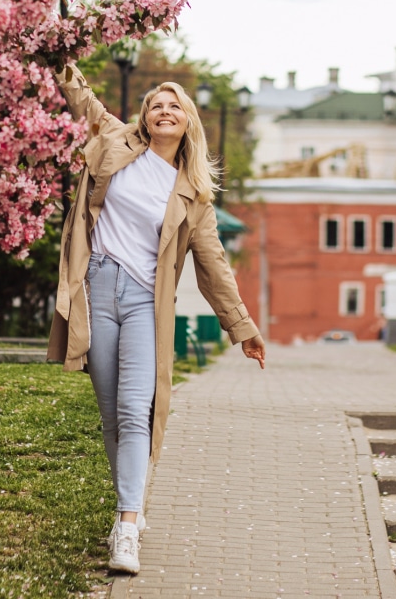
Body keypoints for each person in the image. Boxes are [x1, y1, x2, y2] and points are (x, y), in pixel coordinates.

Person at [47, 64, 266, 575]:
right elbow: (80, 99)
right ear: (145, 118)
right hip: (97, 288)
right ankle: (132, 502)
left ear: (188, 121)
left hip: (146, 302)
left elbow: (213, 263)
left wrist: (242, 326)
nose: (163, 111)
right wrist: (58, 50)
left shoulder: (194, 194)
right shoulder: (115, 141)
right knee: (110, 415)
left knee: (134, 411)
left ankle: (126, 526)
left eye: (174, 106)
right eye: (155, 105)